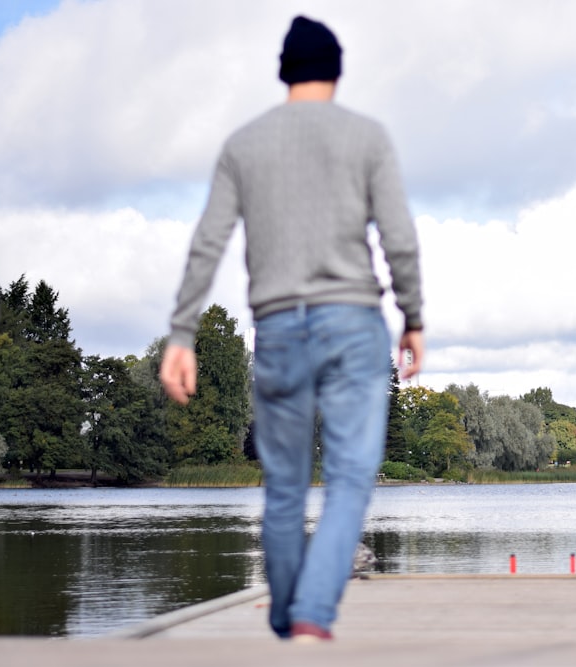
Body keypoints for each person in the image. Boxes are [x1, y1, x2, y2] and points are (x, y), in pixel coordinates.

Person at [159, 15, 424, 642]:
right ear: (336, 70)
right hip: (353, 324)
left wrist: (182, 332)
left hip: (276, 329)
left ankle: (287, 616)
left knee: (283, 486)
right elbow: (400, 239)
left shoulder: (244, 145)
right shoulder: (367, 137)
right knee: (351, 476)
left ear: (284, 72)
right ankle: (310, 613)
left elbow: (208, 242)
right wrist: (413, 317)